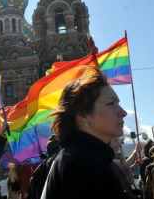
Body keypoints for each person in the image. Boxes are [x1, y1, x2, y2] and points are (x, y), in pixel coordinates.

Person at [41, 66, 132, 199]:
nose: (123, 112)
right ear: (83, 115)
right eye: (111, 103)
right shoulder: (81, 166)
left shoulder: (88, 158)